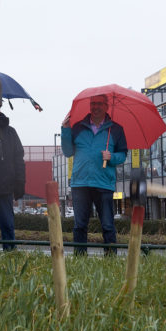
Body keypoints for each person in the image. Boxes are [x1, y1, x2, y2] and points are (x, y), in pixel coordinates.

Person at [61, 94, 128, 256]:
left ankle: (111, 259)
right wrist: (65, 129)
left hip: (103, 183)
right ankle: (79, 258)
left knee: (107, 225)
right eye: (93, 104)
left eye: (99, 104)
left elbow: (123, 155)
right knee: (79, 225)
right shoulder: (77, 127)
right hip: (80, 183)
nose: (95, 107)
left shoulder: (116, 130)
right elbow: (68, 152)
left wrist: (111, 157)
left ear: (106, 106)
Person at [0, 112, 25, 251]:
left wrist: (20, 182)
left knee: (7, 225)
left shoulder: (10, 132)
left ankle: (10, 254)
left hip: (5, 186)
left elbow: (19, 159)